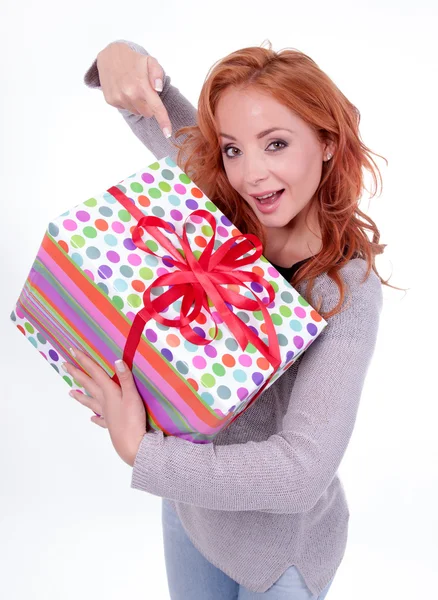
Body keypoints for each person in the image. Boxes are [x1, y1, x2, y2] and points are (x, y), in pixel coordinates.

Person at [75, 39, 399, 599]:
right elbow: (141, 100)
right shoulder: (216, 204)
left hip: (278, 554)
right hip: (192, 509)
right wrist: (117, 54)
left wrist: (142, 452)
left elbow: (301, 471)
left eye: (276, 144)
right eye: (232, 150)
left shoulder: (345, 290)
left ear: (326, 142)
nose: (252, 175)